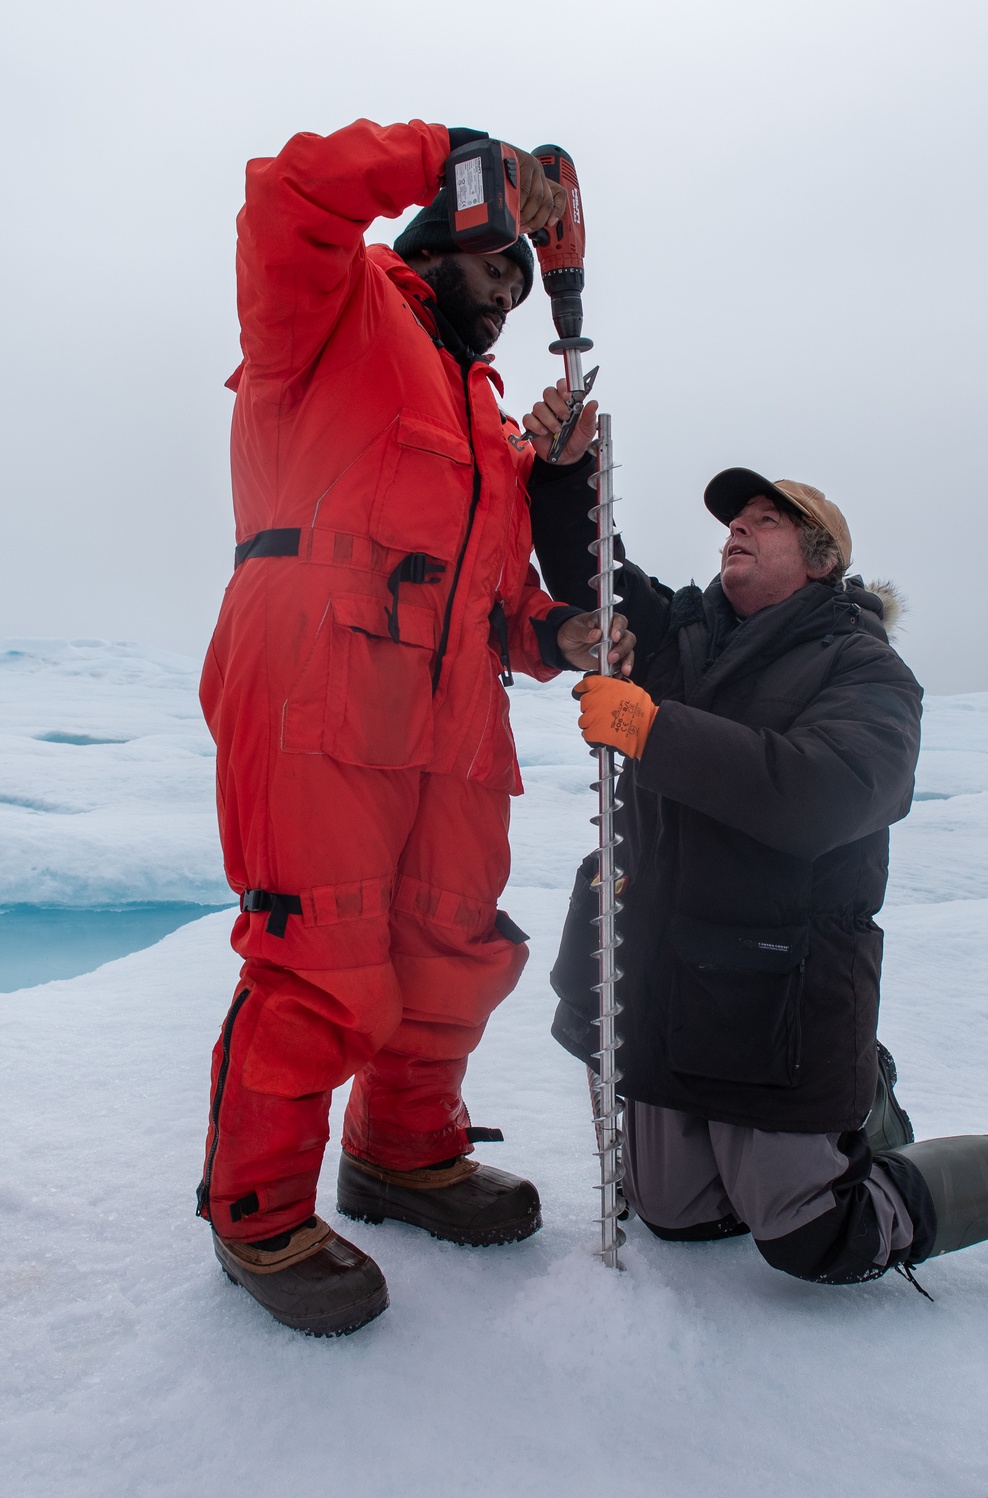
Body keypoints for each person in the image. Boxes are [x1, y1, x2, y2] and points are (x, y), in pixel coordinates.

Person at [197, 120, 630, 1337]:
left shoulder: (490, 425)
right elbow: (289, 193)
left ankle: (402, 1152)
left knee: (452, 952)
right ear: (437, 232)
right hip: (312, 688)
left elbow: (496, 608)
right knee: (320, 961)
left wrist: (560, 638)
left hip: (449, 727)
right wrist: (458, 149)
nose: (507, 290)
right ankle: (260, 1209)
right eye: (495, 260)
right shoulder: (330, 308)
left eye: (522, 278)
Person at [525, 390, 988, 1288]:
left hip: (780, 997)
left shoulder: (867, 670)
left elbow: (829, 794)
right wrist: (565, 474)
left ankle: (870, 1104)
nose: (735, 531)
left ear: (818, 560)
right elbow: (595, 579)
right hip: (675, 983)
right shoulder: (685, 637)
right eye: (733, 521)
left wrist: (654, 732)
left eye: (764, 521)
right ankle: (817, 1120)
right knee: (674, 1214)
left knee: (816, 1235)